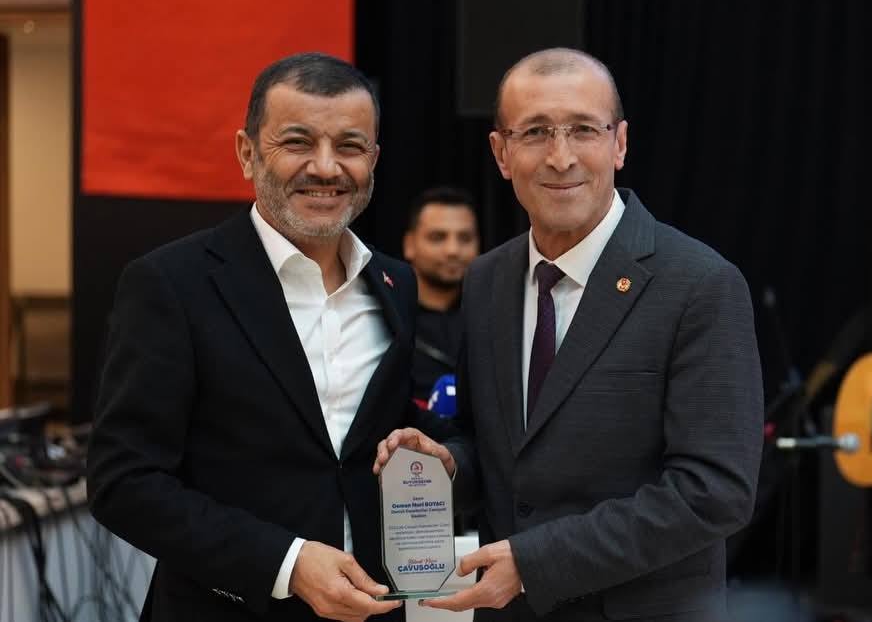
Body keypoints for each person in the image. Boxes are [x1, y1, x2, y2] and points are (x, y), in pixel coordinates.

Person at [375, 48, 763, 621]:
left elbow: (714, 493)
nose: (561, 157)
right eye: (535, 132)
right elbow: (496, 448)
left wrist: (535, 563)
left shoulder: (700, 284)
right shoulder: (486, 280)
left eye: (583, 129)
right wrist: (446, 465)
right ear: (501, 153)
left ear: (620, 143)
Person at [87, 52, 451, 622]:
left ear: (374, 160)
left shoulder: (395, 284)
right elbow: (123, 483)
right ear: (247, 153)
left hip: (374, 611)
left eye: (350, 146)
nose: (326, 168)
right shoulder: (172, 283)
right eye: (298, 142)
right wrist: (286, 563)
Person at [402, 186, 480, 406]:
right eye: (438, 237)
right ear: (409, 245)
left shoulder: (496, 318)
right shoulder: (386, 319)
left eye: (465, 238)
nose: (453, 250)